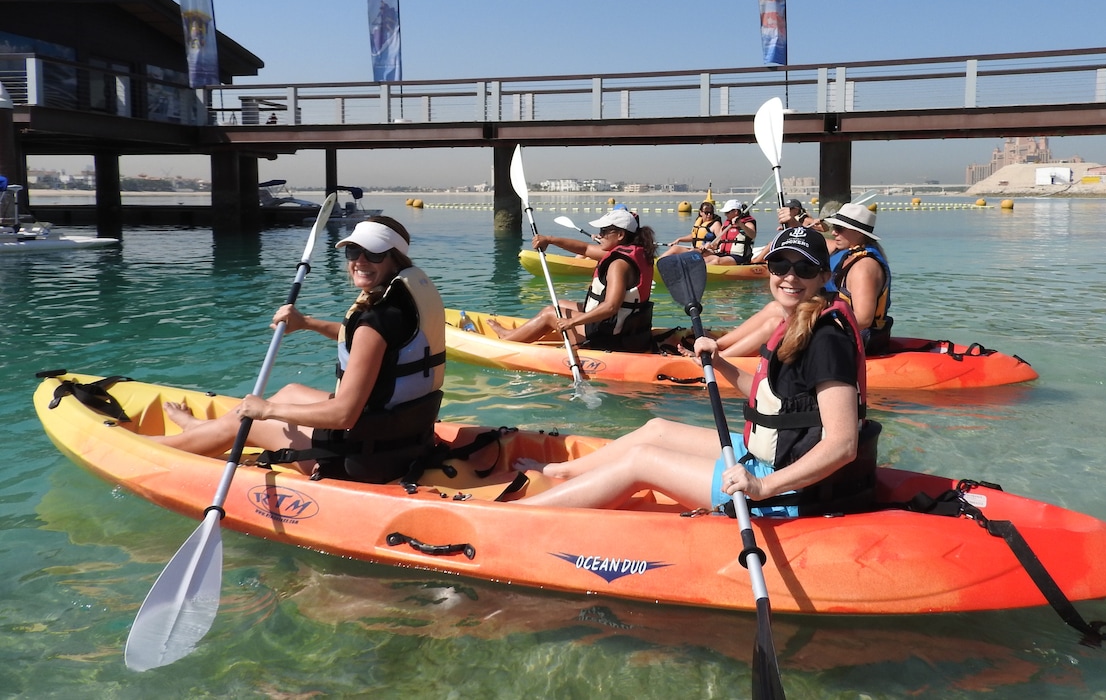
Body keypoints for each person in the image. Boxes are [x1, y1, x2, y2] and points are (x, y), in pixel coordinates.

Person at [513, 226, 879, 516]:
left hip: (790, 486)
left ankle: (517, 517)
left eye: (805, 268)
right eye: (780, 265)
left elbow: (843, 445)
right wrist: (719, 362)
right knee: (655, 429)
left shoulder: (827, 339)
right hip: (768, 454)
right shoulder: (799, 320)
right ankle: (563, 474)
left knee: (643, 462)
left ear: (823, 275)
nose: (790, 277)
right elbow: (777, 398)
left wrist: (762, 487)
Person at [154, 216, 446, 483]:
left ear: (394, 258)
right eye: (352, 252)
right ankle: (199, 430)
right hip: (404, 437)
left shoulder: (378, 318)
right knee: (291, 390)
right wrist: (306, 323)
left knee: (249, 418)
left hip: (364, 459)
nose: (360, 261)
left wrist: (267, 410)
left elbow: (343, 415)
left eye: (374, 254)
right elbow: (365, 342)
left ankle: (156, 449)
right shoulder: (401, 300)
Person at [490, 208, 658, 352]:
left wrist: (571, 322)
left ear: (620, 234)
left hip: (611, 334)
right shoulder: (632, 252)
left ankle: (506, 342)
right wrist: (549, 239)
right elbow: (584, 248)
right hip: (627, 328)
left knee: (550, 313)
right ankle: (512, 335)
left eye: (605, 231)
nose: (600, 235)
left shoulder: (619, 264)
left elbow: (611, 307)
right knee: (561, 303)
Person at [819, 203, 893, 355]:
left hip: (857, 340)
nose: (833, 233)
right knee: (776, 310)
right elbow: (815, 242)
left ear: (858, 233)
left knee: (777, 319)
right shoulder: (848, 251)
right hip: (837, 331)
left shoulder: (864, 267)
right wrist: (795, 223)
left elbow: (863, 319)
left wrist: (815, 327)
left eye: (839, 229)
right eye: (834, 227)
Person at [702, 199, 757, 266]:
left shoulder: (747, 223)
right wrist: (710, 245)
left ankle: (701, 270)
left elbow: (752, 235)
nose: (725, 214)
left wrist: (741, 225)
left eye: (727, 212)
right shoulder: (725, 225)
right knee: (702, 257)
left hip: (739, 257)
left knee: (716, 260)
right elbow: (716, 244)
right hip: (724, 254)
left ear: (736, 211)